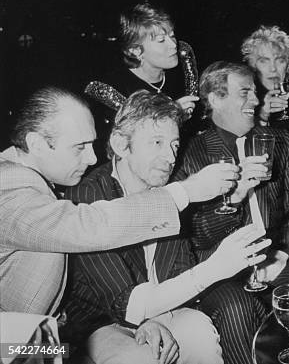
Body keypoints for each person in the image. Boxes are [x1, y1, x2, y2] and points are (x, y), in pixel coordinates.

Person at [61, 91, 270, 364]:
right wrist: (218, 266)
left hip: (158, 309)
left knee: (199, 330)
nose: (170, 157)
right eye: (156, 142)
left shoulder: (169, 189)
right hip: (101, 323)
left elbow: (182, 269)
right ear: (121, 145)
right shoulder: (88, 197)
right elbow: (128, 305)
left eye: (173, 144)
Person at [0, 86, 239, 317]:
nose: (92, 157)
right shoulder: (6, 186)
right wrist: (184, 192)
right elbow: (90, 227)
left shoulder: (33, 186)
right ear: (37, 144)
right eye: (79, 147)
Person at [174, 61, 289, 291]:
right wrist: (234, 197)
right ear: (215, 99)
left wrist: (283, 253)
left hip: (274, 258)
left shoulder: (278, 140)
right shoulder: (191, 154)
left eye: (255, 93)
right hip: (222, 270)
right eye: (244, 93)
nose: (257, 101)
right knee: (238, 310)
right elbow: (196, 235)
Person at [89, 2, 200, 156]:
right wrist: (172, 113)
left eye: (172, 35)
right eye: (161, 40)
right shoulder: (114, 87)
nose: (173, 45)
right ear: (135, 50)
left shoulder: (182, 69)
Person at [240, 25, 289, 130]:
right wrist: (263, 115)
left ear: (287, 65)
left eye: (280, 60)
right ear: (253, 66)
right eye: (264, 61)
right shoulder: (243, 98)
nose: (273, 69)